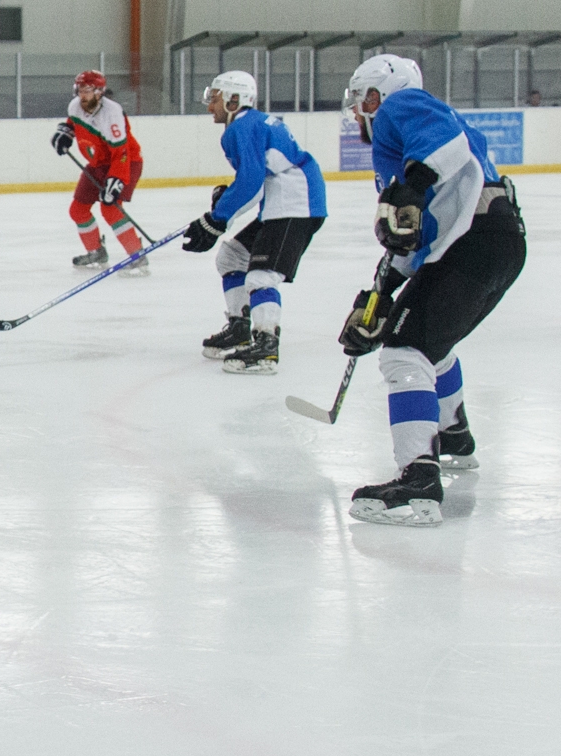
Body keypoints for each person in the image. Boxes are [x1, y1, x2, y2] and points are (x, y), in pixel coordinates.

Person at [336, 54, 525, 527]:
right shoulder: (412, 145)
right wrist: (381, 295)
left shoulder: (402, 108)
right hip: (492, 241)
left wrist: (413, 187)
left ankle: (418, 480)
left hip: (474, 243)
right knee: (430, 342)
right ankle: (454, 435)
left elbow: (445, 145)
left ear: (380, 94)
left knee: (405, 351)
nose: (358, 111)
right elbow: (415, 238)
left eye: (362, 99)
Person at [181, 70, 327, 374]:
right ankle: (240, 328)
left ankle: (266, 347)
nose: (210, 105)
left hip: (295, 204)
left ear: (234, 100)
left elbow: (251, 182)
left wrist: (216, 219)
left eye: (215, 98)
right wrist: (223, 209)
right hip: (285, 203)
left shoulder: (241, 127)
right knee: (232, 256)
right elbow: (254, 181)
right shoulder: (252, 123)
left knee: (261, 276)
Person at [50, 69, 148, 275]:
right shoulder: (75, 106)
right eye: (80, 89)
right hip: (98, 163)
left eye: (87, 90)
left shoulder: (112, 114)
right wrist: (66, 132)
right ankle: (96, 252)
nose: (82, 95)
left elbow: (121, 152)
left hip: (126, 161)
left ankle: (137, 255)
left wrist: (116, 179)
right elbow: (74, 122)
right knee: (78, 210)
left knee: (110, 209)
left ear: (99, 92)